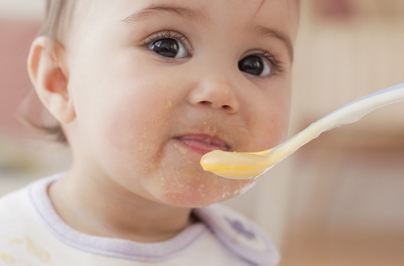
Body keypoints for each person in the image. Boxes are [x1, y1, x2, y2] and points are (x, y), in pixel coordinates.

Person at [0, 0, 299, 265]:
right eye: (167, 46)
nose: (220, 91)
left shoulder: (242, 254)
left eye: (255, 64)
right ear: (61, 81)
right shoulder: (10, 241)